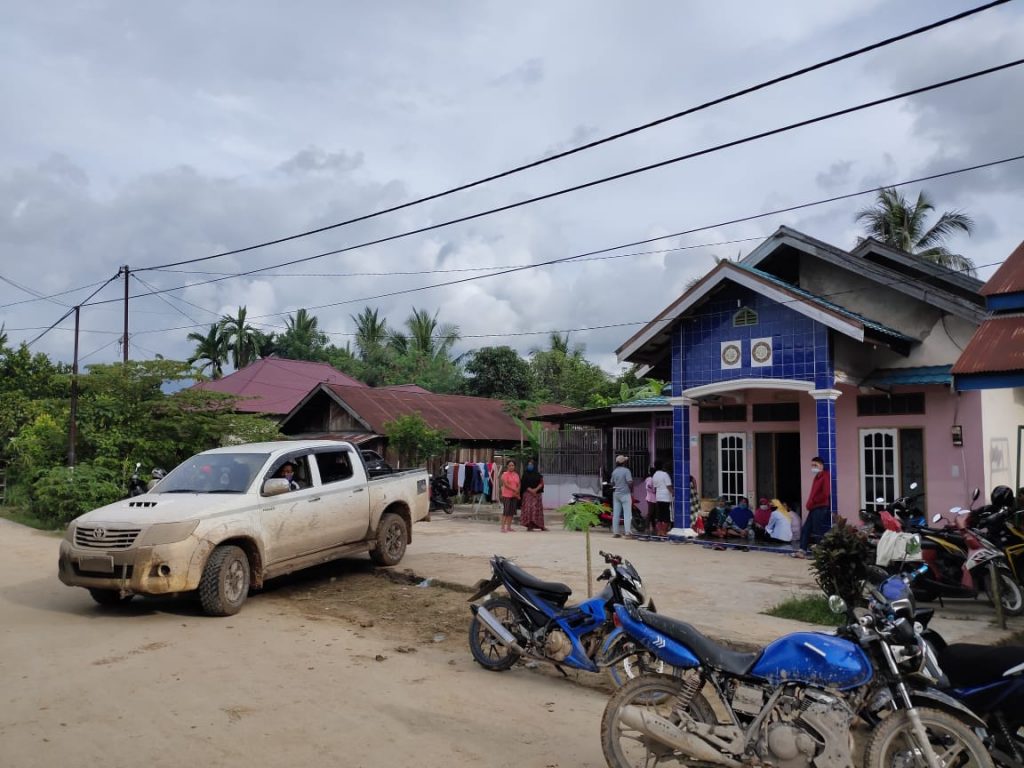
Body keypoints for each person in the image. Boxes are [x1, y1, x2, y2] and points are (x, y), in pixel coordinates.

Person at [799, 456, 831, 554]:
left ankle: (819, 552)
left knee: (817, 530)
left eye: (815, 465)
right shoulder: (817, 477)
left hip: (820, 507)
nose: (813, 467)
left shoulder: (825, 476)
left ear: (821, 465)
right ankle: (802, 550)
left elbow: (825, 494)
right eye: (812, 465)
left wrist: (812, 502)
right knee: (806, 528)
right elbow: (813, 492)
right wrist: (810, 503)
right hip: (814, 507)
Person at [609, 455, 633, 538]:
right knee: (627, 514)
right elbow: (630, 482)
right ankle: (627, 532)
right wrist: (631, 490)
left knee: (616, 514)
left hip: (616, 494)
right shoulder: (626, 471)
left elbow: (612, 483)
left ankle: (616, 532)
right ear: (624, 462)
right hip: (625, 494)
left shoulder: (614, 471)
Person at [520, 460, 546, 531]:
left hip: (537, 495)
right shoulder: (525, 474)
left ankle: (541, 526)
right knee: (529, 510)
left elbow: (541, 483)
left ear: (534, 466)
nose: (530, 466)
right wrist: (531, 490)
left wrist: (536, 490)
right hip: (528, 495)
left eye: (531, 464)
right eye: (529, 464)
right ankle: (529, 526)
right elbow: (524, 484)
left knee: (538, 511)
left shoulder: (538, 474)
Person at [651, 461, 673, 536]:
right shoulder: (665, 474)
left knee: (660, 515)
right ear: (662, 466)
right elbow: (668, 486)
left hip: (658, 497)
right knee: (666, 515)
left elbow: (654, 487)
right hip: (666, 497)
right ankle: (664, 531)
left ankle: (659, 531)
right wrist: (673, 492)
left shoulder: (655, 475)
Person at [499, 459, 520, 533]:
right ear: (507, 466)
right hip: (506, 495)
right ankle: (502, 527)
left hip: (514, 496)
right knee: (506, 511)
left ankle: (509, 527)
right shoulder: (505, 474)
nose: (511, 467)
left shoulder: (516, 474)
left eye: (513, 465)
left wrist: (517, 492)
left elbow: (518, 484)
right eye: (510, 465)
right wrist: (514, 489)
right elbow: (506, 484)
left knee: (511, 512)